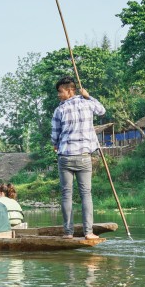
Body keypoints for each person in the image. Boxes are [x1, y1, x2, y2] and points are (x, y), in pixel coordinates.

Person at [51, 76, 105, 239]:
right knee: (86, 194)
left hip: (65, 156)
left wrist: (55, 144)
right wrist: (89, 96)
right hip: (83, 156)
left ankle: (68, 233)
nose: (59, 95)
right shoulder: (87, 103)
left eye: (60, 92)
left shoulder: (59, 110)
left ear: (69, 90)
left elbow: (55, 135)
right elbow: (102, 111)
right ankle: (88, 233)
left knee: (67, 194)